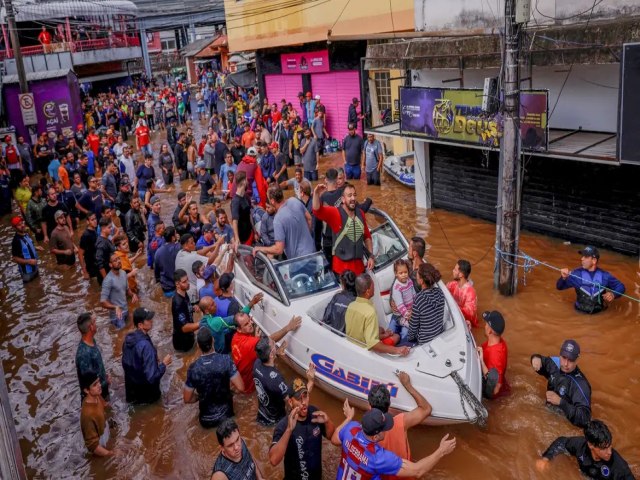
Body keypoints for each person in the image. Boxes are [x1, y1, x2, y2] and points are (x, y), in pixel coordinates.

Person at [332, 405, 457, 479]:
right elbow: (418, 471)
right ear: (375, 437)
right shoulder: (378, 458)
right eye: (384, 429)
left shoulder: (350, 428)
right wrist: (441, 451)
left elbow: (334, 439)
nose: (388, 430)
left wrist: (348, 418)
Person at [367, 371, 433, 478]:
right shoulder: (401, 421)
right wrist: (407, 385)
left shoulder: (365, 431)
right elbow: (426, 409)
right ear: (389, 405)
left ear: (369, 405)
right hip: (406, 474)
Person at [269, 378, 334, 479]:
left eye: (306, 396)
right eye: (299, 399)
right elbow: (273, 460)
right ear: (290, 402)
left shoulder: (315, 413)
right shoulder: (283, 425)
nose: (304, 402)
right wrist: (289, 430)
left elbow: (330, 436)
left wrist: (327, 421)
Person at [184, 328, 244, 428]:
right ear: (213, 340)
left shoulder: (193, 368)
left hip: (206, 421)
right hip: (227, 416)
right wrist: (230, 391)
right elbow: (241, 387)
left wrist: (200, 397)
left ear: (198, 346)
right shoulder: (226, 360)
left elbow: (187, 399)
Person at [536, 419, 635, 479]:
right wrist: (545, 459)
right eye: (604, 449)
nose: (609, 452)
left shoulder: (620, 467)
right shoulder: (580, 446)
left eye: (610, 446)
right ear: (591, 445)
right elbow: (562, 442)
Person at [231, 312, 301, 394]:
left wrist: (255, 339)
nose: (251, 323)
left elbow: (248, 349)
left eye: (250, 320)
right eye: (246, 324)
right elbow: (269, 341)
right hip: (249, 388)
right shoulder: (250, 344)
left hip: (238, 380)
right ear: (239, 329)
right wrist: (288, 328)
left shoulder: (235, 337)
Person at [312, 183, 374, 276]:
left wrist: (371, 256)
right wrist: (316, 194)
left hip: (359, 268)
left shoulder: (360, 213)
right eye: (349, 196)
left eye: (354, 195)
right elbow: (317, 211)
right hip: (341, 270)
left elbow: (367, 237)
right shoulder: (335, 213)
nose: (353, 198)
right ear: (343, 199)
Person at [531, 339, 592, 428]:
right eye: (563, 358)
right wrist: (535, 358)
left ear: (577, 360)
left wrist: (561, 402)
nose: (566, 364)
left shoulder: (581, 385)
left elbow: (585, 419)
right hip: (547, 412)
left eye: (571, 360)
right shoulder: (555, 363)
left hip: (563, 423)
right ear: (559, 355)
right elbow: (541, 361)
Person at [346, 273, 409, 356]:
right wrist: (397, 350)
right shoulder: (370, 311)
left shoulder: (351, 306)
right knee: (396, 336)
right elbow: (373, 345)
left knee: (381, 329)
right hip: (366, 350)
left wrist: (383, 334)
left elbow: (360, 331)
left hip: (354, 346)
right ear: (368, 292)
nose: (374, 288)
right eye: (373, 286)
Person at [122, 308, 172, 404]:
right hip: (147, 395)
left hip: (132, 392)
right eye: (148, 320)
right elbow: (152, 377)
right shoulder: (145, 346)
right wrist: (164, 364)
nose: (151, 321)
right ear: (140, 325)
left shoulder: (128, 339)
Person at [556, 246, 626, 314]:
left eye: (585, 257)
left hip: (599, 314)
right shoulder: (576, 274)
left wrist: (613, 294)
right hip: (579, 313)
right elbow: (559, 287)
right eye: (582, 256)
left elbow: (621, 286)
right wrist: (563, 278)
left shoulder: (605, 276)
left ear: (594, 260)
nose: (582, 259)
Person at [253, 185, 315, 260]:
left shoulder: (278, 219)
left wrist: (260, 249)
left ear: (272, 201)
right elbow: (309, 218)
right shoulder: (294, 200)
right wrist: (304, 235)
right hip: (313, 252)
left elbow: (279, 249)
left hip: (299, 261)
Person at [407, 263, 445, 345]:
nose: (416, 274)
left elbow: (413, 328)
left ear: (421, 281)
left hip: (424, 340)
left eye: (417, 273)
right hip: (439, 334)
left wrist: (409, 338)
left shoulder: (419, 298)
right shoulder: (440, 292)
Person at [75, 312, 109, 400]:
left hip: (102, 389)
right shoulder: (83, 354)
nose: (96, 324)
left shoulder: (92, 340)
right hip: (96, 397)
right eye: (95, 322)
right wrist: (105, 383)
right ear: (91, 327)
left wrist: (105, 379)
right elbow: (89, 385)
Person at [79, 372, 113, 457]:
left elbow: (104, 405)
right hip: (100, 444)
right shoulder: (87, 415)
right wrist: (111, 454)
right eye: (95, 384)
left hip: (104, 433)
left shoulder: (96, 396)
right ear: (86, 390)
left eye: (98, 382)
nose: (99, 385)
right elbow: (92, 446)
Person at [477, 311, 510, 399]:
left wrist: (482, 362)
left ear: (490, 330)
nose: (484, 326)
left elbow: (496, 389)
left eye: (486, 324)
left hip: (495, 398)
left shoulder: (495, 356)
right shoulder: (499, 342)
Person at [100, 253, 137, 329]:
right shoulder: (108, 280)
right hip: (117, 316)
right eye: (115, 260)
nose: (118, 261)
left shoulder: (123, 273)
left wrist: (133, 295)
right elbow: (103, 302)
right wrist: (115, 307)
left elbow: (127, 290)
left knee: (134, 327)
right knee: (122, 336)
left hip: (126, 310)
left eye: (118, 259)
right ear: (110, 265)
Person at [172, 269, 200, 352]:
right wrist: (202, 323)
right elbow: (184, 328)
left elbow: (186, 308)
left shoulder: (184, 293)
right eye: (184, 281)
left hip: (189, 336)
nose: (188, 283)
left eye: (187, 279)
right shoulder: (177, 303)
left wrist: (193, 307)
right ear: (177, 284)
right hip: (183, 343)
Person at [389, 259, 415, 343]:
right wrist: (408, 316)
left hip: (409, 311)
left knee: (408, 329)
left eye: (405, 272)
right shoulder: (397, 287)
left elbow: (414, 295)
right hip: (400, 315)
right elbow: (400, 306)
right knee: (411, 327)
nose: (404, 275)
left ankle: (403, 338)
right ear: (396, 274)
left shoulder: (410, 281)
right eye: (401, 273)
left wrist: (414, 309)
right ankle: (402, 343)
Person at [446, 259, 478, 327]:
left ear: (461, 274)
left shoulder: (470, 292)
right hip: (456, 316)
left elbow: (470, 313)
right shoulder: (453, 284)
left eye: (455, 270)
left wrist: (452, 306)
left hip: (468, 324)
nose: (453, 271)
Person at [10, 215, 40, 283]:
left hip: (35, 267)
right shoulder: (16, 241)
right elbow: (15, 258)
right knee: (30, 290)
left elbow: (27, 247)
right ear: (15, 228)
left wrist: (36, 248)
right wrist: (29, 261)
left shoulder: (25, 234)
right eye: (19, 225)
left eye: (22, 223)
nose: (22, 225)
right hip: (27, 272)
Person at [154, 227, 181, 297]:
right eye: (175, 234)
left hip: (166, 287)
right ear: (173, 238)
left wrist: (158, 280)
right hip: (178, 285)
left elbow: (156, 271)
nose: (177, 235)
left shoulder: (158, 252)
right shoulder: (178, 248)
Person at [230, 171, 253, 245]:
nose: (248, 182)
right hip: (241, 238)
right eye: (246, 180)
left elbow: (249, 215)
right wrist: (237, 239)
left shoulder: (246, 197)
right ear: (243, 182)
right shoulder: (235, 201)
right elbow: (234, 221)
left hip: (249, 234)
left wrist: (255, 231)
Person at [78, 213, 100, 281]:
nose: (95, 221)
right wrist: (85, 272)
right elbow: (80, 254)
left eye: (95, 219)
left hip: (97, 264)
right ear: (88, 222)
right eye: (92, 219)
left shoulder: (94, 230)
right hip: (92, 267)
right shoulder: (85, 235)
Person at [95, 217, 116, 283]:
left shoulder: (106, 238)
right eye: (109, 227)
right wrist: (106, 280)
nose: (111, 229)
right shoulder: (101, 244)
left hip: (111, 272)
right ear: (103, 229)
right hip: (107, 275)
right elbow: (99, 263)